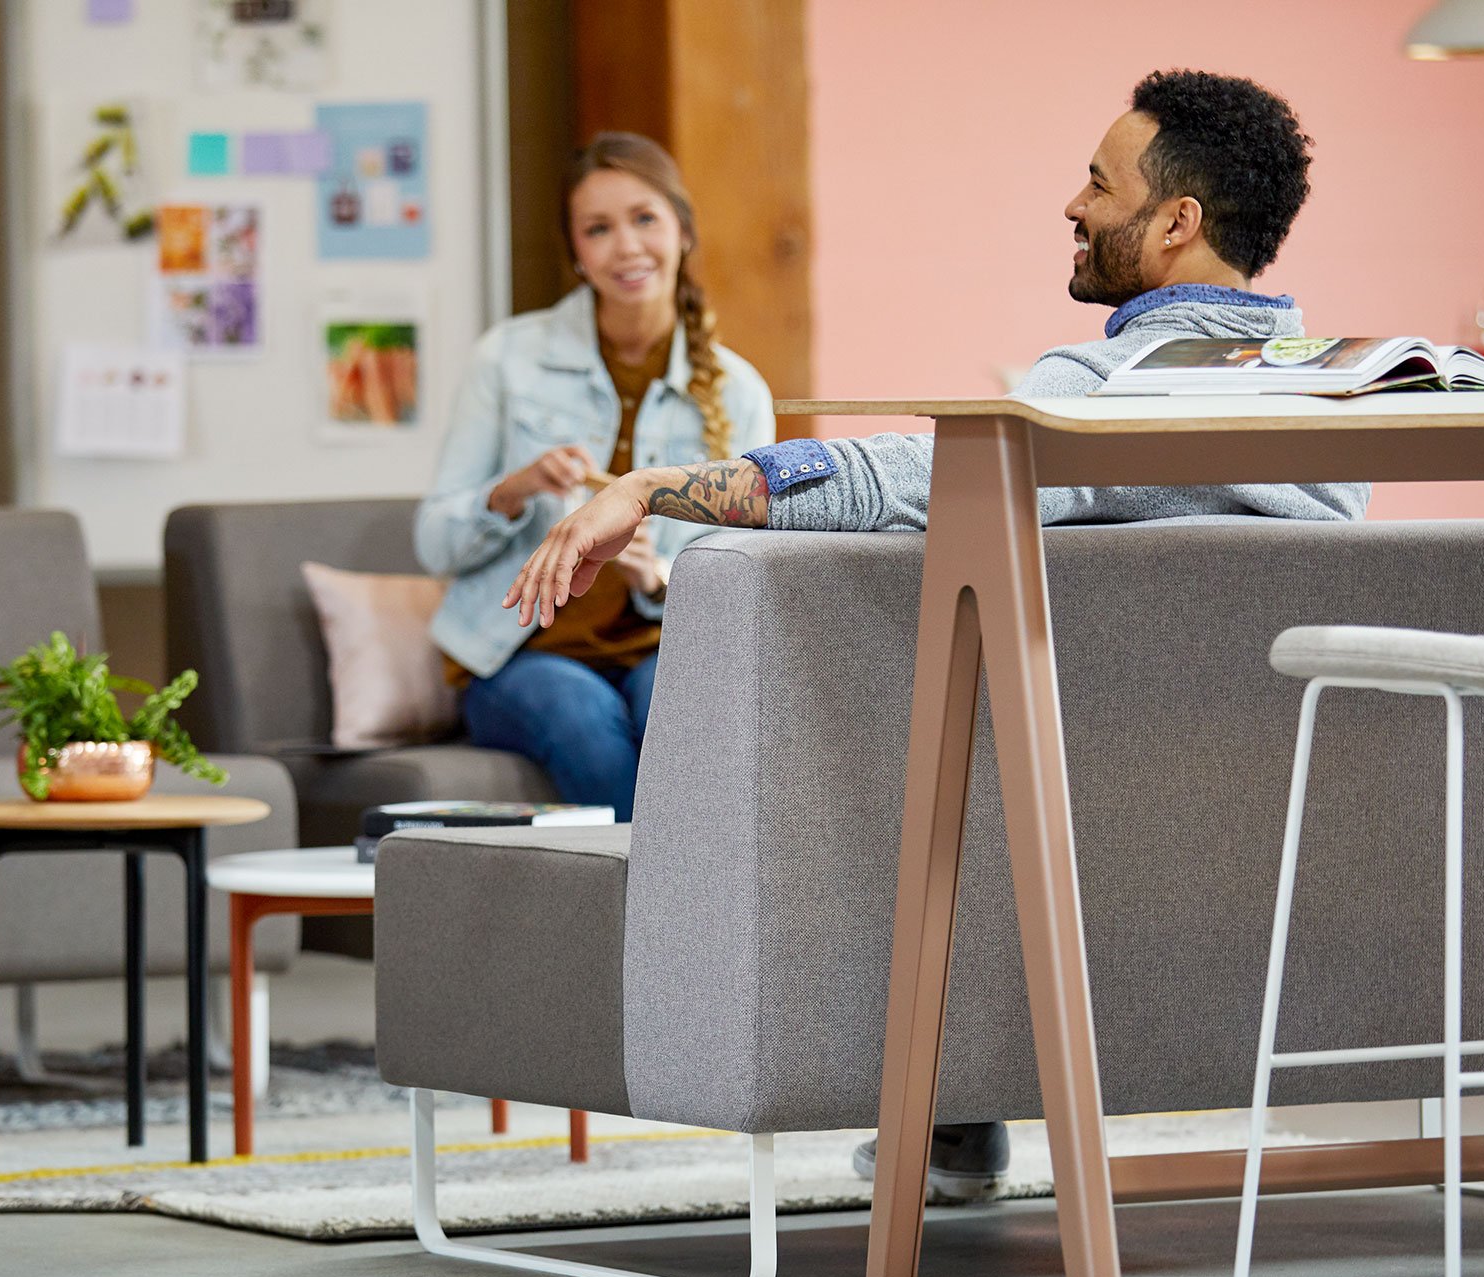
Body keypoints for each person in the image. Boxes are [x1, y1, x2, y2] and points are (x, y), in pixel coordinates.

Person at [504, 71, 1353, 1199]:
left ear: (1176, 224)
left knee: (939, 752)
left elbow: (913, 478)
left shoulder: (1100, 393)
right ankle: (957, 1122)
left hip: (1064, 826)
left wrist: (661, 487)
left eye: (1099, 184)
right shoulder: (1345, 399)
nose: (1073, 204)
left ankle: (947, 1108)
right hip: (1292, 833)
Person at [415, 132, 774, 821]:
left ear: (683, 230)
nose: (627, 246)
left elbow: (752, 572)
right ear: (575, 254)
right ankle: (658, 923)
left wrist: (657, 577)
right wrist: (512, 492)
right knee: (581, 714)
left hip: (657, 647)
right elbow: (434, 544)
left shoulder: (738, 391)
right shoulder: (506, 360)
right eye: (598, 229)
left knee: (682, 711)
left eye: (645, 219)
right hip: (516, 654)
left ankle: (683, 919)